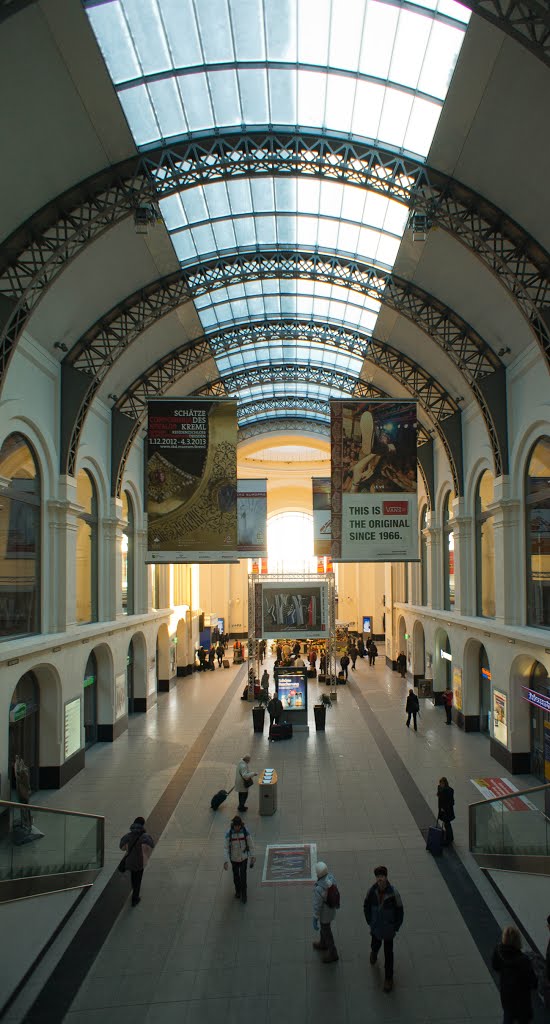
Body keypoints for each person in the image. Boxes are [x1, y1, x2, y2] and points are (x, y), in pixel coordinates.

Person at [363, 865, 404, 993]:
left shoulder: (393, 893)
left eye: (382, 877)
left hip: (388, 929)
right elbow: (366, 906)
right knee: (375, 944)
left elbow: (400, 911)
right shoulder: (372, 892)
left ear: (386, 878)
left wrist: (395, 926)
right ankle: (374, 953)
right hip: (376, 927)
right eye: (378, 877)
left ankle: (388, 978)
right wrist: (370, 921)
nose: (380, 879)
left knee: (388, 954)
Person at [492, 925, 537, 1024]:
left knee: (508, 1016)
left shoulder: (499, 951)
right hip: (522, 998)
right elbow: (533, 982)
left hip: (507, 993)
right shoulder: (524, 960)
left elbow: (495, 966)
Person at [119, 816, 154, 907]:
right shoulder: (145, 836)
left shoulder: (128, 836)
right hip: (139, 862)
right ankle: (135, 898)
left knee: (133, 877)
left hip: (130, 861)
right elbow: (151, 845)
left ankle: (134, 889)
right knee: (138, 879)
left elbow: (122, 847)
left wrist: (128, 847)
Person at [224, 814, 255, 904]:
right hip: (233, 859)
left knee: (243, 876)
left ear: (241, 825)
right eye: (235, 826)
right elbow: (225, 848)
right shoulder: (229, 834)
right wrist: (226, 861)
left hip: (243, 858)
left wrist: (252, 856)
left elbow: (251, 845)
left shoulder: (245, 832)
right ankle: (238, 891)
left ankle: (244, 895)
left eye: (238, 826)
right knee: (236, 876)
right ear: (233, 825)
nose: (237, 828)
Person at [312, 861, 339, 964]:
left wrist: (315, 917)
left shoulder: (319, 889)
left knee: (327, 932)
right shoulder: (331, 879)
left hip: (324, 914)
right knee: (325, 928)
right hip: (331, 911)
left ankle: (333, 953)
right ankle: (322, 943)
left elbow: (317, 906)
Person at [437, 776, 455, 846]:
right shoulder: (441, 789)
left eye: (442, 783)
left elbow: (451, 802)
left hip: (447, 811)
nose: (440, 785)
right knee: (446, 824)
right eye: (440, 783)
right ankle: (450, 837)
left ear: (445, 783)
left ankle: (449, 838)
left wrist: (444, 808)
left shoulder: (449, 791)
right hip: (443, 810)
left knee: (447, 824)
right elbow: (439, 796)